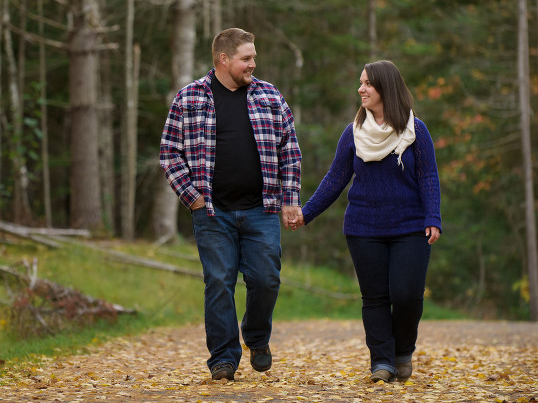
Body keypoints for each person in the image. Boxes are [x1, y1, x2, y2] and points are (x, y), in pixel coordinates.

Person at [159, 28, 303, 381]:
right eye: (246, 58)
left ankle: (256, 337)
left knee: (266, 279)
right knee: (219, 282)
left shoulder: (269, 96)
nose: (253, 64)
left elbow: (290, 152)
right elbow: (169, 154)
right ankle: (223, 357)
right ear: (224, 59)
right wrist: (192, 198)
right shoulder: (189, 98)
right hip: (212, 212)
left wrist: (289, 200)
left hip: (262, 209)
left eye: (253, 57)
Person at [295, 59, 441, 383]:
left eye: (367, 84)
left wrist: (433, 217)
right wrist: (307, 213)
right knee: (374, 298)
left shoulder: (416, 131)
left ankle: (403, 350)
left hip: (411, 226)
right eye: (360, 83)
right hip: (363, 228)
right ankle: (382, 362)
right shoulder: (354, 134)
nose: (360, 89)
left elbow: (428, 176)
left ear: (384, 88)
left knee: (406, 295)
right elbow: (335, 179)